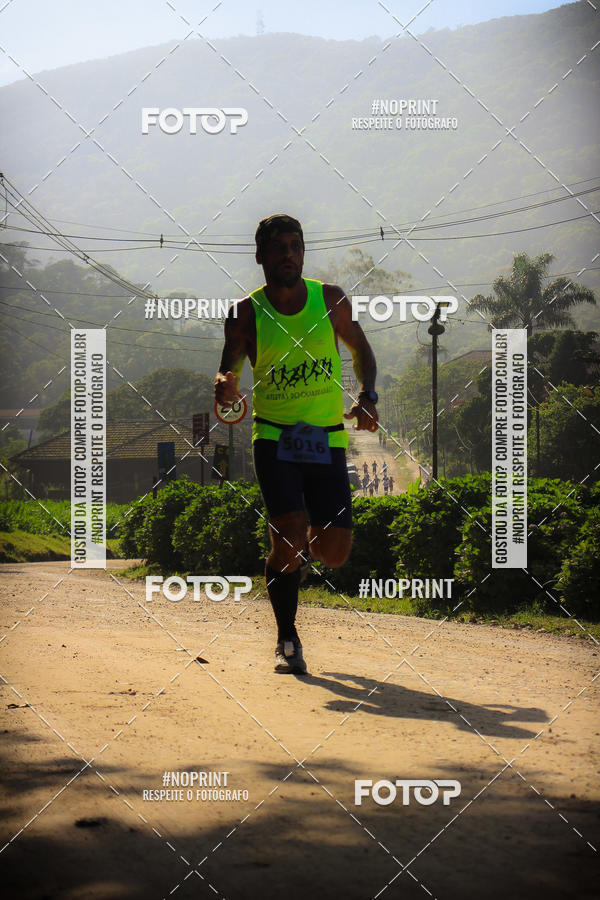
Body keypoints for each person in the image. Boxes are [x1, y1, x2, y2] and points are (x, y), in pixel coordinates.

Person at [214, 213, 378, 674]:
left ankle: (296, 542)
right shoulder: (245, 312)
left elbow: (362, 351)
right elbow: (228, 370)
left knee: (335, 553)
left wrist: (368, 394)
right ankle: (287, 639)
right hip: (275, 438)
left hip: (326, 439)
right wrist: (225, 385)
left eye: (295, 246)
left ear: (302, 252)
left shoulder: (330, 301)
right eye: (279, 247)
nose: (288, 254)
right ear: (261, 256)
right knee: (288, 536)